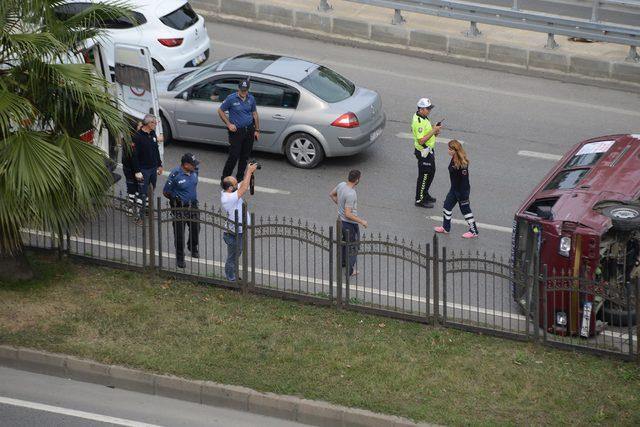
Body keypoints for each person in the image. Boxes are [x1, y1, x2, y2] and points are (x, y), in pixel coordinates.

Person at [220, 162, 259, 282]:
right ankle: (231, 278)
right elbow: (243, 188)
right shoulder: (227, 198)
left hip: (238, 231)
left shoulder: (231, 191)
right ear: (230, 188)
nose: (238, 184)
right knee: (233, 257)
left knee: (237, 254)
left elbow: (244, 184)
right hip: (233, 234)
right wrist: (248, 172)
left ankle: (234, 274)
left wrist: (250, 171)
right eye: (235, 184)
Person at [434, 140, 479, 239]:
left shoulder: (462, 164)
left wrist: (462, 195)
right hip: (454, 189)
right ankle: (446, 228)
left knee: (466, 211)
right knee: (447, 206)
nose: (448, 151)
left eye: (450, 149)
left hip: (462, 192)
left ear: (455, 151)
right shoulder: (453, 159)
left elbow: (464, 181)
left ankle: (474, 231)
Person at [218, 79, 260, 182]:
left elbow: (254, 113)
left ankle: (240, 179)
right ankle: (225, 178)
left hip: (249, 130)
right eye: (242, 90)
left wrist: (257, 130)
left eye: (245, 90)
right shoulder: (231, 98)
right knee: (234, 156)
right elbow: (220, 110)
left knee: (245, 157)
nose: (243, 92)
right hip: (236, 132)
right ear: (238, 89)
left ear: (248, 89)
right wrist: (228, 124)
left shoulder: (251, 98)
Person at [163, 153, 200, 268]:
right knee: (179, 234)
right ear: (186, 165)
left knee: (196, 228)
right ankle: (180, 257)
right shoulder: (175, 175)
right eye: (193, 164)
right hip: (180, 208)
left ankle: (192, 246)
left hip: (193, 205)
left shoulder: (195, 171)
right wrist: (174, 199)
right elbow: (166, 191)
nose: (195, 166)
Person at [330, 170, 367, 277]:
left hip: (340, 221)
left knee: (344, 243)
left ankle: (342, 263)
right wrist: (362, 221)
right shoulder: (351, 193)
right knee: (353, 246)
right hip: (349, 224)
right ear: (357, 180)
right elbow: (348, 214)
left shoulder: (341, 185)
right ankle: (350, 271)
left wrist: (339, 204)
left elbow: (331, 194)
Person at [412, 98, 442, 208]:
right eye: (428, 108)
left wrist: (435, 131)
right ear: (421, 109)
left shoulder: (424, 117)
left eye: (430, 108)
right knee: (424, 176)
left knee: (431, 172)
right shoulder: (418, 122)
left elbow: (428, 134)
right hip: (423, 152)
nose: (429, 110)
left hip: (429, 150)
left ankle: (425, 193)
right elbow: (421, 140)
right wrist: (434, 131)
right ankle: (419, 200)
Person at [133, 114, 163, 220]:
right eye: (154, 122)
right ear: (148, 123)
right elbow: (134, 155)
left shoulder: (152, 133)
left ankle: (147, 211)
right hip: (143, 169)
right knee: (142, 193)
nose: (156, 124)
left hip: (153, 168)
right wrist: (137, 171)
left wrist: (159, 165)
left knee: (151, 191)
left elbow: (156, 150)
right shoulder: (138, 137)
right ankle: (138, 216)